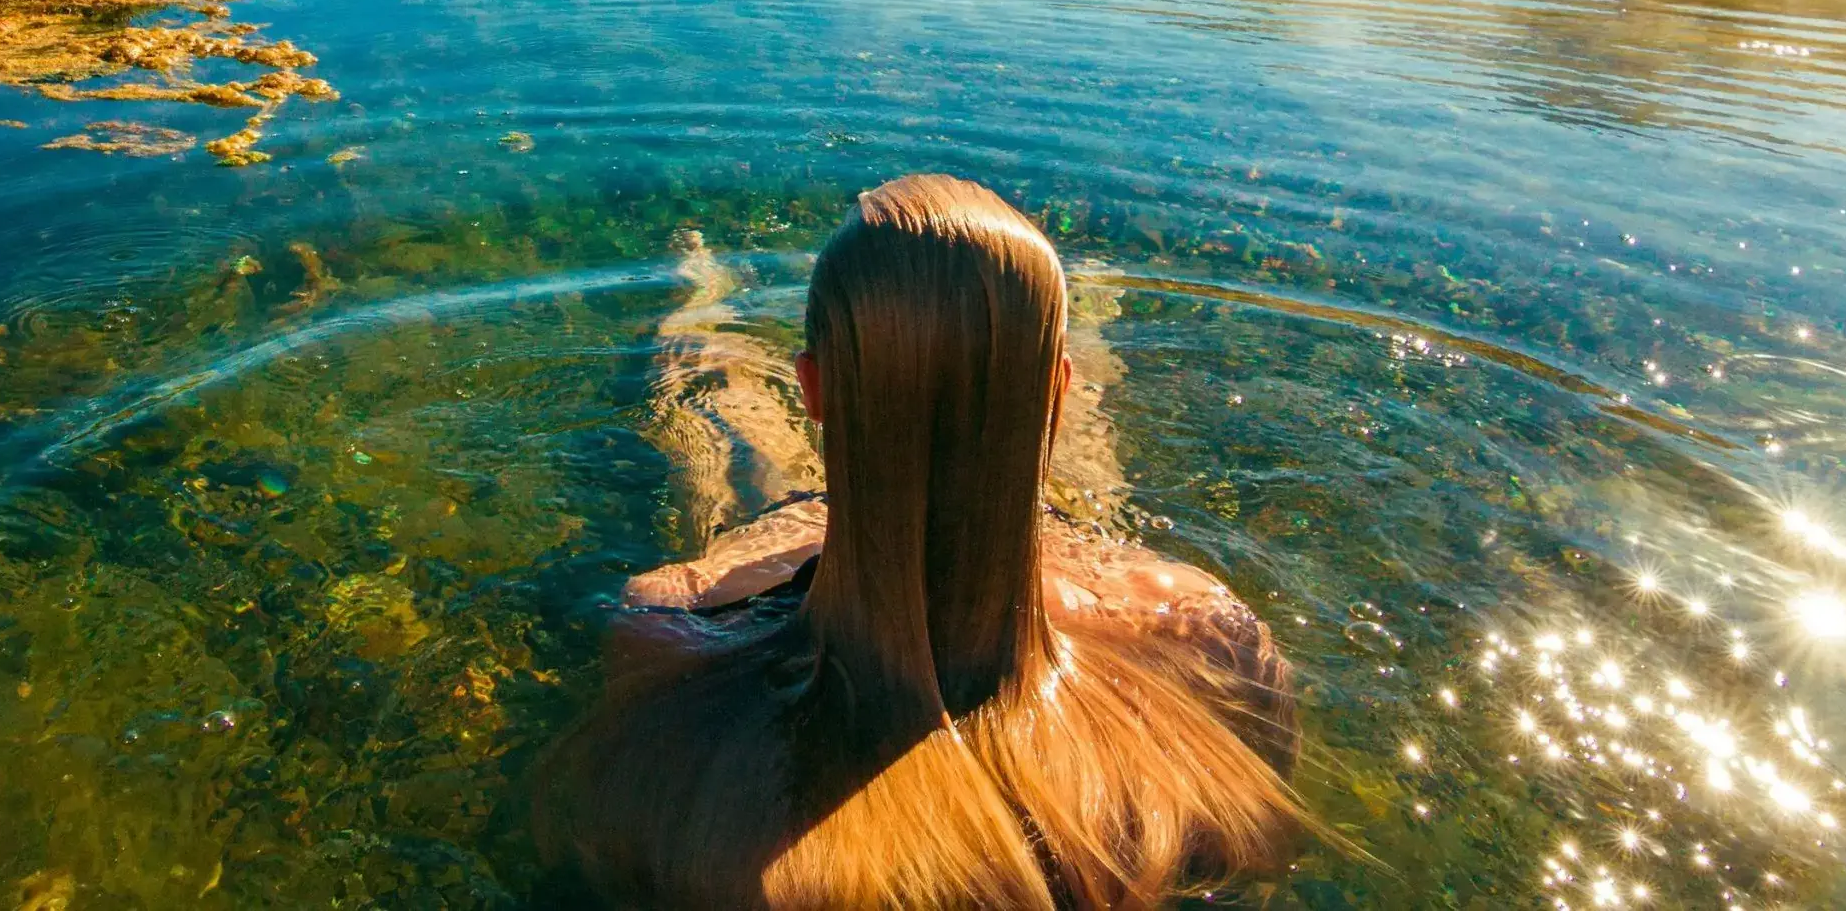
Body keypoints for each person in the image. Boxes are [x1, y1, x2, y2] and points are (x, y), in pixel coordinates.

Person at [540, 175, 1301, 909]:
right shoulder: (1204, 627)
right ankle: (1089, 303)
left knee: (713, 391)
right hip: (1068, 535)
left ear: (813, 389)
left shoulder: (671, 622)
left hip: (804, 525)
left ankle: (699, 290)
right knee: (1066, 458)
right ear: (1056, 396)